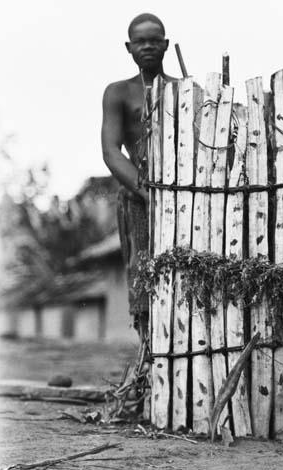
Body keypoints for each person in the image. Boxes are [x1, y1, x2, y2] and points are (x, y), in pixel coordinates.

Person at [101, 13, 177, 338]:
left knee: (183, 272)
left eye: (154, 40)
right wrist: (147, 194)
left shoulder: (185, 89)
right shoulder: (118, 92)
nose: (148, 46)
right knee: (144, 273)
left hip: (185, 193)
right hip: (139, 194)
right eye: (141, 41)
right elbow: (111, 151)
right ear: (129, 47)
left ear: (166, 45)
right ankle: (150, 358)